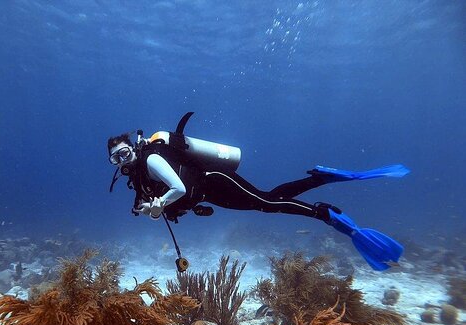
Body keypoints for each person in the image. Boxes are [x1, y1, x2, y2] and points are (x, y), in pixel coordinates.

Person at [107, 112, 409, 271]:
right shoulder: (139, 177)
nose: (122, 161)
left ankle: (324, 213)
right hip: (209, 194)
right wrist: (151, 209)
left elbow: (178, 187)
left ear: (133, 148)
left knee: (267, 202)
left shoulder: (152, 158)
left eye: (124, 153)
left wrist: (158, 203)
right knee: (269, 198)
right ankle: (321, 178)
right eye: (115, 158)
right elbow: (155, 207)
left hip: (215, 181)